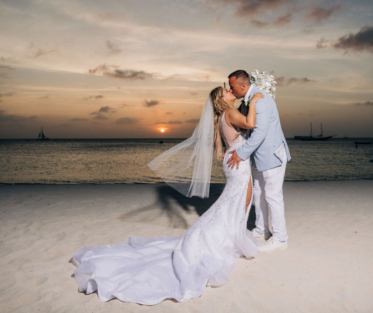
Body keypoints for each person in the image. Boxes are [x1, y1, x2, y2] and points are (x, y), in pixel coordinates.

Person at [71, 86, 265, 305]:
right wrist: (255, 101)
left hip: (235, 160)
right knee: (237, 202)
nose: (230, 90)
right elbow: (250, 124)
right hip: (237, 163)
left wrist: (247, 104)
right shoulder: (229, 113)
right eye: (226, 90)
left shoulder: (224, 115)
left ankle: (231, 235)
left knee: (235, 203)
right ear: (221, 99)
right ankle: (226, 238)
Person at [226, 70, 291, 252]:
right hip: (260, 156)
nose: (232, 90)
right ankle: (262, 229)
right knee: (259, 193)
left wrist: (241, 153)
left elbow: (260, 132)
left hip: (272, 155)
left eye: (233, 87)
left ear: (243, 86)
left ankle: (280, 238)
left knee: (272, 195)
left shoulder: (260, 100)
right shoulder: (251, 99)